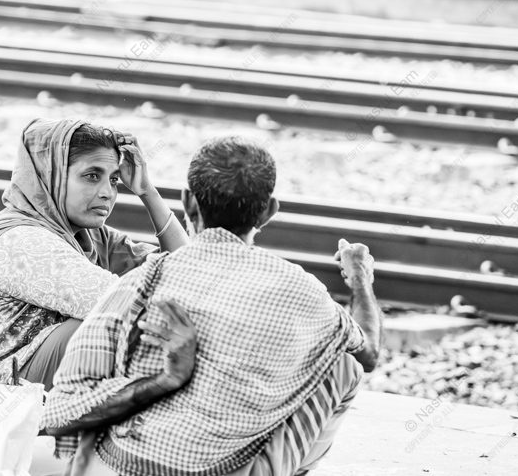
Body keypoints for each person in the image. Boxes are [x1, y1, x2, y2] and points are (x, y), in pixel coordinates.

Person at [42, 136, 383, 476]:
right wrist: (360, 279)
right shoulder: (302, 289)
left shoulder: (140, 283)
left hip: (120, 464)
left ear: (188, 202)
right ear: (268, 211)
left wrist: (164, 381)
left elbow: (60, 415)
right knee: (344, 365)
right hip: (229, 467)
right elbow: (367, 353)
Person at [0, 119, 188, 390]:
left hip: (28, 385)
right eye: (92, 176)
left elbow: (186, 271)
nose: (107, 193)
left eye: (114, 180)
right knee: (102, 328)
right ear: (50, 175)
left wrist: (147, 191)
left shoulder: (88, 236)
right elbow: (130, 305)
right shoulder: (23, 242)